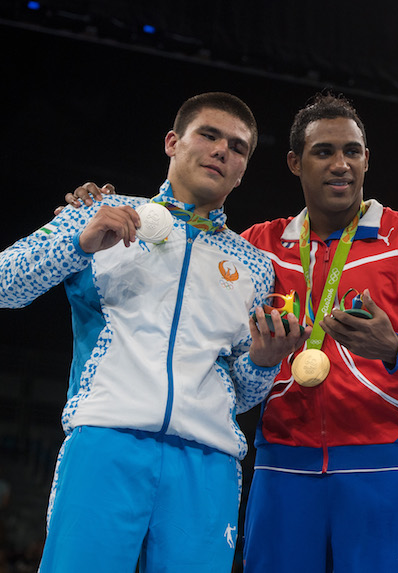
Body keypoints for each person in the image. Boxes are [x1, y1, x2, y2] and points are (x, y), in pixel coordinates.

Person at [0, 92, 309, 572]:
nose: (221, 150)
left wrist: (264, 361)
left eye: (238, 147)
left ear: (243, 170)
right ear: (172, 142)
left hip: (208, 462)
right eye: (208, 135)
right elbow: (6, 285)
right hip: (105, 441)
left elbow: (242, 393)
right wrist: (79, 244)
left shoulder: (254, 266)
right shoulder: (100, 213)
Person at [238, 94, 398, 572]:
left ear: (367, 159)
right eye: (323, 152)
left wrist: (393, 348)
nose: (340, 164)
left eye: (352, 151)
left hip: (384, 464)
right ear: (295, 162)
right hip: (282, 463)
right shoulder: (259, 246)